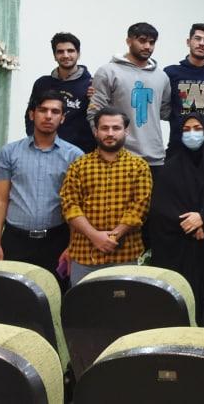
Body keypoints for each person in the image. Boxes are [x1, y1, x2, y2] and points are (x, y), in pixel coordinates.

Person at [0, 91, 85, 286]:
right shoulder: (9, 152)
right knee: (11, 296)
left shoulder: (75, 156)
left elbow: (78, 206)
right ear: (32, 114)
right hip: (15, 240)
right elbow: (0, 199)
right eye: (42, 110)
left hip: (57, 240)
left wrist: (72, 246)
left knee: (54, 296)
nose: (48, 116)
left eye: (55, 111)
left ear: (62, 118)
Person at [147, 113, 204, 314]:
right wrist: (190, 224)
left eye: (198, 129)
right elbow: (161, 208)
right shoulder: (170, 168)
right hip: (180, 249)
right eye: (186, 130)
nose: (192, 134)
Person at [60, 108, 153, 285]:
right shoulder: (79, 165)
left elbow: (140, 208)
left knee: (125, 303)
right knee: (83, 303)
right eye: (104, 128)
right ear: (96, 131)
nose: (110, 133)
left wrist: (113, 237)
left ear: (126, 131)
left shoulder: (139, 166)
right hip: (84, 256)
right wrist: (94, 236)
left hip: (126, 256)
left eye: (116, 128)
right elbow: (69, 205)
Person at [88, 22, 171, 168]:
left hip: (155, 157)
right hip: (118, 156)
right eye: (142, 41)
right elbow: (94, 112)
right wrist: (106, 145)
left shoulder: (162, 76)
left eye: (152, 42)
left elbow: (166, 112)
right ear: (129, 41)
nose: (147, 46)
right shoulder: (108, 72)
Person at [26, 32, 94, 152]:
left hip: (81, 152)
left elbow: (100, 119)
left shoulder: (92, 85)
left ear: (78, 54)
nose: (66, 55)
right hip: (44, 150)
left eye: (70, 51)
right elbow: (30, 116)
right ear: (54, 56)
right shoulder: (42, 83)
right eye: (60, 52)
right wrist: (37, 141)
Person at [164, 23, 204, 147]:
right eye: (197, 38)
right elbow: (163, 106)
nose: (201, 43)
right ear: (188, 42)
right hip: (177, 143)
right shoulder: (171, 73)